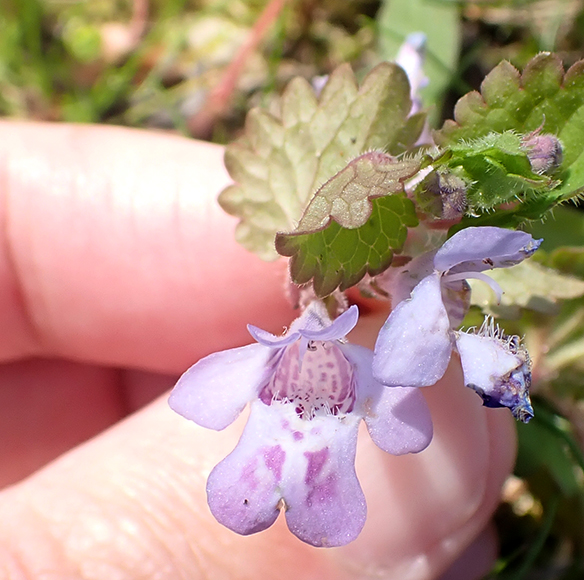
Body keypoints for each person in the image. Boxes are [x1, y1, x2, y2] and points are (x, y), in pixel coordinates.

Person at [0, 121, 515, 579]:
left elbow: (401, 425)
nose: (311, 378)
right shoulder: (308, 362)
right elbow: (203, 393)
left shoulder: (368, 362)